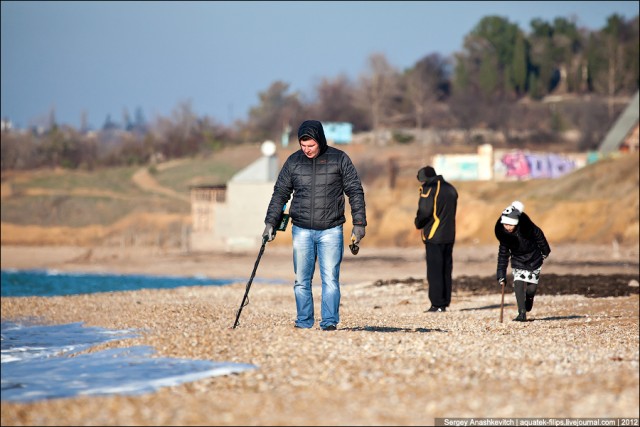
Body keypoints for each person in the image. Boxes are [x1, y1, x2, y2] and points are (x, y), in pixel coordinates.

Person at [262, 119, 367, 331]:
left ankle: (329, 322)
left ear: (320, 140)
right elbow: (280, 193)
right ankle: (304, 322)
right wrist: (270, 222)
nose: (307, 150)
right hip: (301, 229)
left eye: (311, 145)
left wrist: (359, 223)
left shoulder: (339, 159)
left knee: (330, 279)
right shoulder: (293, 162)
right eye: (303, 145)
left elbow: (355, 190)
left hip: (331, 229)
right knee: (301, 280)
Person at [495, 201, 551, 322]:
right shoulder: (505, 236)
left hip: (534, 258)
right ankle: (522, 313)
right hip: (518, 261)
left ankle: (529, 298)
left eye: (510, 225)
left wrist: (545, 251)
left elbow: (540, 236)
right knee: (518, 285)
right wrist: (501, 274)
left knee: (531, 289)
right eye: (505, 224)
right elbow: (503, 255)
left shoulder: (527, 228)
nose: (507, 227)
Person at [414, 166, 458, 313]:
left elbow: (425, 211)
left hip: (434, 235)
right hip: (449, 234)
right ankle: (444, 302)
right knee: (446, 269)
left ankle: (437, 304)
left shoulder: (430, 188)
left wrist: (418, 223)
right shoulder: (450, 188)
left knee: (435, 271)